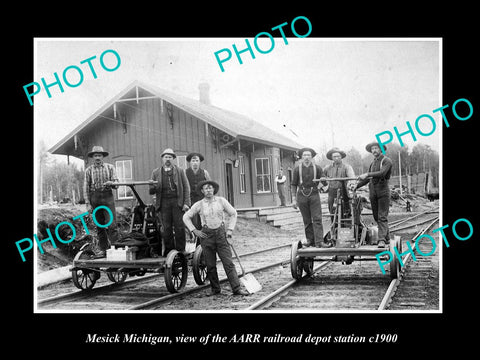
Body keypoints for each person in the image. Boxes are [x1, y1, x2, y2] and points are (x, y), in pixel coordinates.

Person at [183, 180, 249, 296]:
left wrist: (230, 230)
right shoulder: (199, 204)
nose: (208, 190)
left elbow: (233, 213)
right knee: (210, 265)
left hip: (221, 235)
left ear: (213, 190)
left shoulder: (221, 201)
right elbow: (186, 217)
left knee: (228, 263)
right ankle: (215, 290)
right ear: (202, 191)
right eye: (206, 188)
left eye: (210, 188)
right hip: (206, 236)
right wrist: (194, 231)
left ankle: (236, 288)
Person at [149, 148, 191, 255]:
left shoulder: (180, 171)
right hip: (163, 203)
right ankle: (169, 251)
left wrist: (186, 203)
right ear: (162, 159)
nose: (168, 159)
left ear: (173, 159)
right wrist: (152, 186)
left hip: (177, 202)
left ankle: (181, 250)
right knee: (166, 228)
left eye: (170, 157)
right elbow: (151, 191)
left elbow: (186, 188)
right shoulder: (156, 172)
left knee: (179, 226)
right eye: (166, 157)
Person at [83, 146, 119, 258]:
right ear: (93, 157)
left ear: (103, 156)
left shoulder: (110, 168)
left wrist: (111, 183)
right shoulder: (88, 170)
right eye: (95, 155)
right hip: (95, 199)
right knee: (99, 226)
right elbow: (85, 188)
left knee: (112, 225)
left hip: (108, 198)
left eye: (99, 155)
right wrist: (88, 203)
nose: (97, 157)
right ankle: (104, 250)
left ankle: (116, 250)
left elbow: (117, 184)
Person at [356, 142, 393, 248]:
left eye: (376, 148)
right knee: (376, 216)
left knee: (382, 216)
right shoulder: (373, 163)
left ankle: (381, 240)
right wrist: (357, 186)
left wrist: (367, 174)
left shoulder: (386, 161)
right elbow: (368, 179)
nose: (374, 150)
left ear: (381, 150)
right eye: (372, 149)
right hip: (373, 191)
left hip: (383, 191)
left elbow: (382, 173)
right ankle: (387, 237)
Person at [291, 148, 328, 247]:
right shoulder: (297, 169)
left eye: (308, 155)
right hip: (301, 195)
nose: (306, 157)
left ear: (311, 157)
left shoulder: (318, 168)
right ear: (301, 157)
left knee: (317, 218)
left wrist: (324, 180)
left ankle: (319, 241)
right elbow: (294, 184)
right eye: (304, 155)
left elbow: (325, 182)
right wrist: (294, 199)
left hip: (314, 194)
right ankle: (309, 240)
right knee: (306, 219)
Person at [323, 147, 355, 218]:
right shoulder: (327, 168)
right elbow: (321, 177)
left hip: (343, 191)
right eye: (334, 156)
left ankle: (344, 226)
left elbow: (352, 177)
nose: (336, 158)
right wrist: (322, 186)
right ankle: (334, 227)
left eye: (338, 156)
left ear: (341, 157)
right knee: (332, 209)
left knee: (344, 209)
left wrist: (352, 184)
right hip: (331, 191)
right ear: (331, 158)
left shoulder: (347, 167)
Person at [185, 152, 211, 231]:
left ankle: (201, 241)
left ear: (199, 162)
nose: (195, 163)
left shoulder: (204, 173)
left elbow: (210, 187)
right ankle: (193, 238)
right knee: (192, 221)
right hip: (190, 200)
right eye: (193, 161)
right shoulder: (184, 173)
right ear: (190, 162)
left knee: (203, 221)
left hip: (202, 200)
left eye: (197, 160)